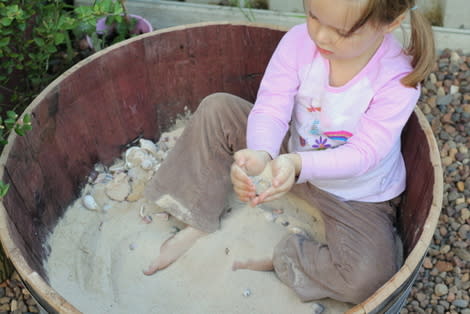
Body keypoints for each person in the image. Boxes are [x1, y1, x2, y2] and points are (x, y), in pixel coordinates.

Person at [143, 0, 435, 304]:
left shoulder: (397, 80)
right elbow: (272, 106)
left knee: (369, 279)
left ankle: (287, 255)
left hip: (355, 194)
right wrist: (261, 154)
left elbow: (364, 154)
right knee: (217, 109)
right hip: (290, 159)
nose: (321, 36)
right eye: (313, 16)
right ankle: (196, 213)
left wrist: (296, 164)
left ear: (390, 23)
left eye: (341, 31)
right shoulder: (299, 42)